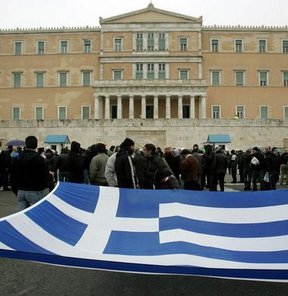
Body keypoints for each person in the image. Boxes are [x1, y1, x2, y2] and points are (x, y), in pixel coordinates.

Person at [10, 135, 50, 211]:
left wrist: (16, 190)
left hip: (21, 190)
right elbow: (44, 176)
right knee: (36, 214)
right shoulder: (40, 159)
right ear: (36, 145)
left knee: (21, 216)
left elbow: (13, 176)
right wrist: (44, 185)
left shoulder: (17, 158)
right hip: (35, 190)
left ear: (26, 144)